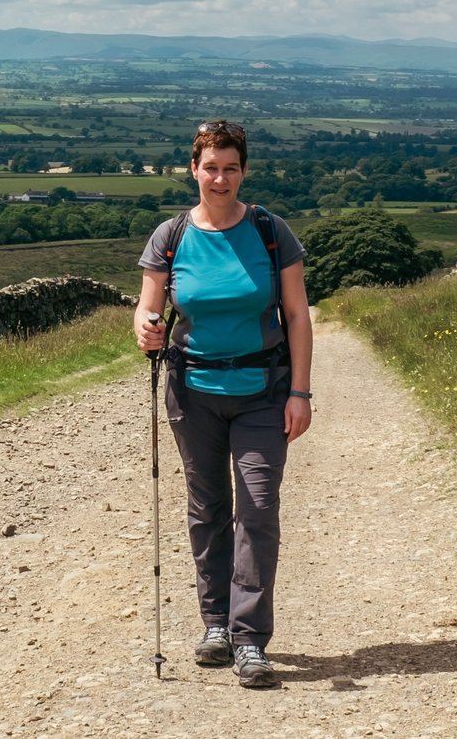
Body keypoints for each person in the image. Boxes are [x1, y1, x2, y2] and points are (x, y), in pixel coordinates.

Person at [135, 119, 315, 689]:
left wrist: (301, 392)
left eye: (230, 168)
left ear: (243, 171)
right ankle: (215, 624)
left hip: (263, 391)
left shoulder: (269, 231)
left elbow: (298, 317)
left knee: (257, 509)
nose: (220, 178)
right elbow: (147, 309)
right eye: (210, 167)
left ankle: (249, 639)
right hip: (193, 394)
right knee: (207, 508)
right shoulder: (170, 236)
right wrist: (146, 327)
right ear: (193, 170)